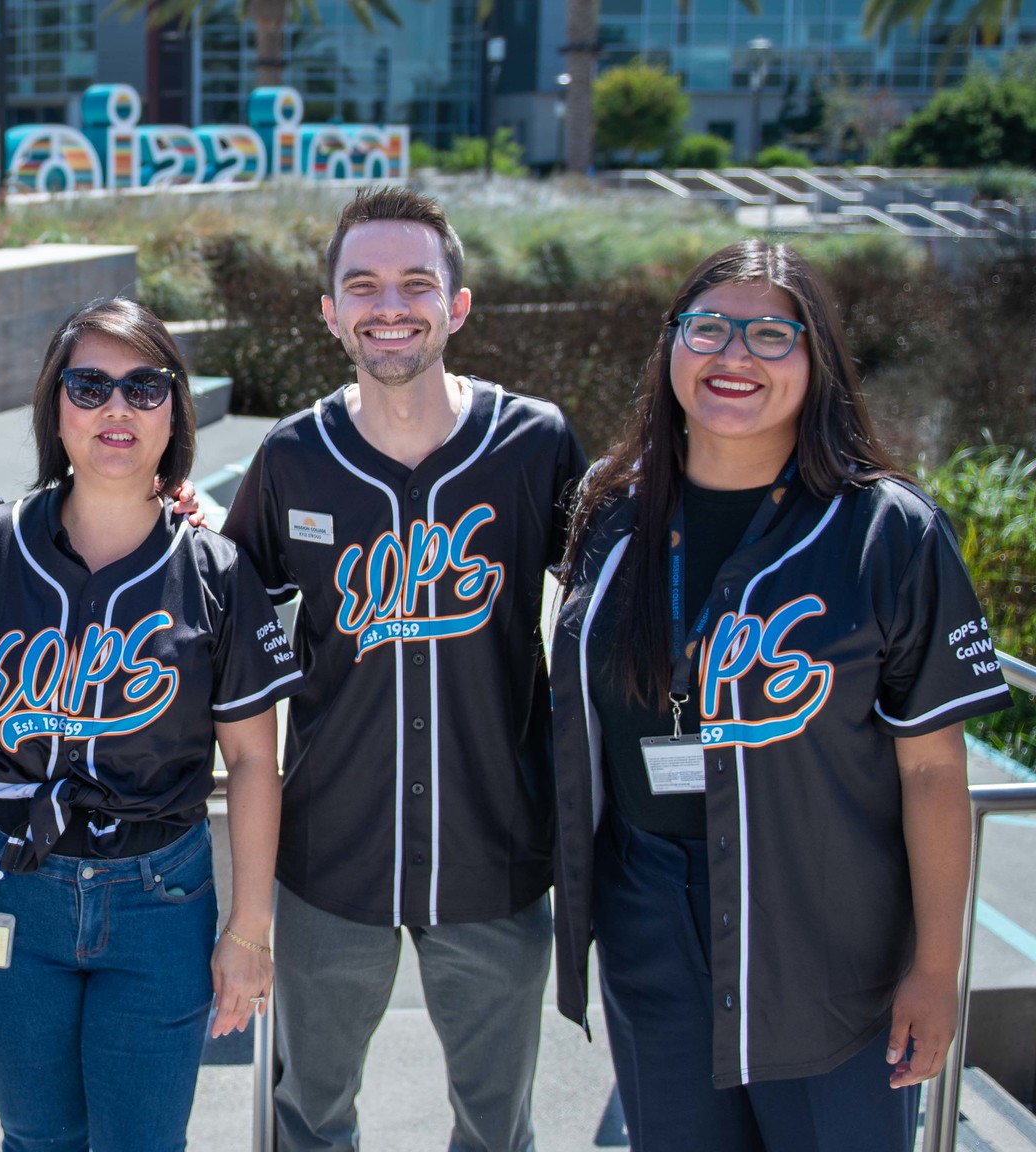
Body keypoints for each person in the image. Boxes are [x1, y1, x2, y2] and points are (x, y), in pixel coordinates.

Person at [549, 239, 1008, 1151]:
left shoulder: (888, 534)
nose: (734, 357)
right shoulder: (611, 515)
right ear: (671, 348)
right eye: (708, 328)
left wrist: (936, 968)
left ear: (819, 359)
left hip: (827, 928)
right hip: (651, 913)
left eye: (771, 335)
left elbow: (929, 774)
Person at [223, 186, 587, 1152]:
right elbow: (220, 617)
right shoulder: (293, 457)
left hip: (495, 854)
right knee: (308, 1119)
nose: (392, 304)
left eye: (418, 283)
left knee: (497, 1127)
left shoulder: (536, 444)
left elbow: (621, 606)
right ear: (332, 312)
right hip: (330, 859)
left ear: (458, 306)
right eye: (364, 284)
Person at [0, 297, 300, 1151]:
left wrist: (250, 930)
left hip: (160, 897)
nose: (117, 410)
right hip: (5, 880)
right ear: (53, 407)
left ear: (175, 409)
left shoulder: (216, 569)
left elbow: (252, 761)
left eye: (145, 387)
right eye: (90, 386)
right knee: (36, 1138)